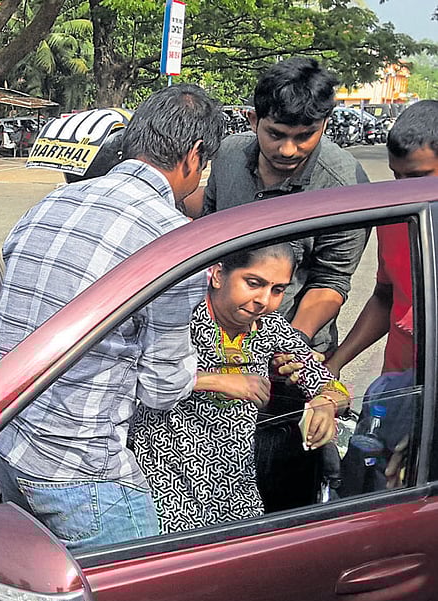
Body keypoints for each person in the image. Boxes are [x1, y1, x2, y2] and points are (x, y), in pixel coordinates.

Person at [0, 84, 225, 552]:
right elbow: (162, 389)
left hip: (5, 442)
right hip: (81, 473)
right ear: (194, 156)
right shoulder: (173, 240)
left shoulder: (50, 204)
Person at [201, 57, 368, 511]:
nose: (289, 150)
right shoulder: (230, 158)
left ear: (325, 125)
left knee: (280, 477)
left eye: (304, 137)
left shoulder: (343, 184)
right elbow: (206, 240)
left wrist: (288, 342)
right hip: (211, 342)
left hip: (292, 356)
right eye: (276, 134)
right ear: (254, 120)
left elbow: (332, 282)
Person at [132, 245, 348, 534]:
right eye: (254, 283)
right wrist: (215, 379)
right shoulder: (181, 318)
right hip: (166, 482)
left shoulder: (269, 327)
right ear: (219, 275)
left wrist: (326, 402)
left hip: (235, 486)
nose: (263, 300)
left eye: (277, 290)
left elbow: (327, 382)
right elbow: (143, 377)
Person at [326, 100, 438, 491]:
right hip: (399, 390)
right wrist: (336, 362)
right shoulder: (400, 215)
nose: (403, 189)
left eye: (419, 176)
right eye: (396, 176)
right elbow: (385, 296)